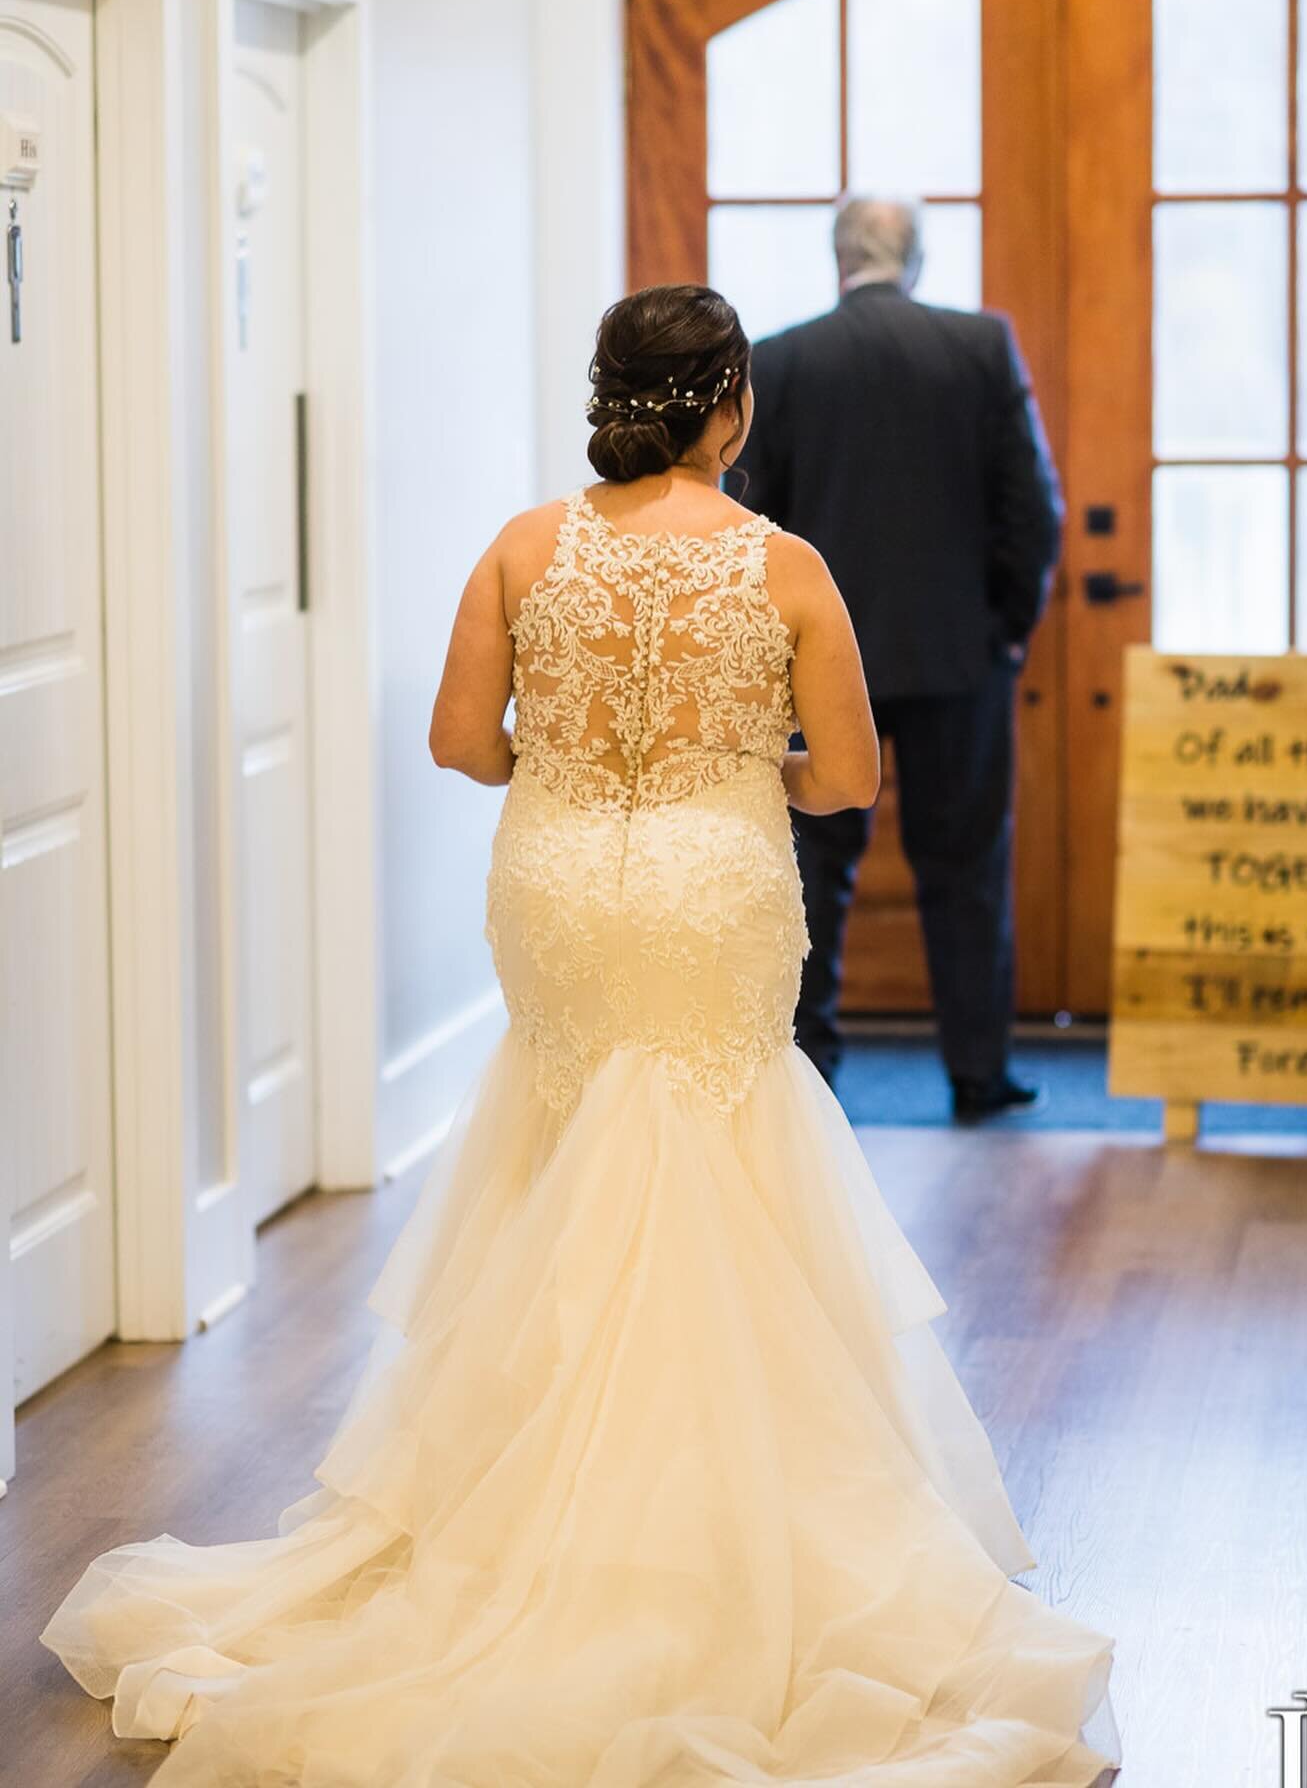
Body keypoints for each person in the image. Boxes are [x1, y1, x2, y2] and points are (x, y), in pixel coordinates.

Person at [39, 285, 1118, 1785]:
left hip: (556, 884)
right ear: (731, 406)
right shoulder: (785, 566)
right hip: (707, 886)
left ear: (609, 396)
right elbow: (850, 777)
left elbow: (460, 742)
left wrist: (582, 754)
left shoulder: (523, 547)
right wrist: (742, 762)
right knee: (717, 1159)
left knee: (565, 1147)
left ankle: (511, 1515)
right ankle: (702, 1539)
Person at [735, 194, 1064, 1121]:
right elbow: (1033, 514)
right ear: (913, 259)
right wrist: (1006, 627)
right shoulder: (980, 348)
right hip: (961, 659)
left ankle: (807, 1076)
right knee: (966, 866)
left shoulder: (784, 358)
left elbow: (755, 522)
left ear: (839, 258)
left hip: (819, 661)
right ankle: (979, 1075)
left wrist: (776, 646)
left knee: (812, 867)